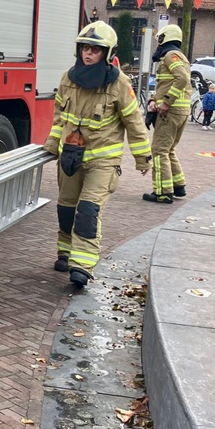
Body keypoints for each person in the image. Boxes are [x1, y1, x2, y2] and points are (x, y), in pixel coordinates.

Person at [43, 21, 151, 288]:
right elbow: (59, 117)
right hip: (71, 157)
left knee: (88, 211)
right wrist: (52, 144)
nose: (88, 54)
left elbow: (134, 122)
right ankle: (65, 253)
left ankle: (83, 265)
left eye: (95, 49)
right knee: (66, 208)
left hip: (103, 162)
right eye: (84, 48)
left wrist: (142, 157)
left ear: (107, 52)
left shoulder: (119, 84)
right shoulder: (69, 78)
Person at [144, 24, 192, 204]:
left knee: (159, 150)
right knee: (169, 149)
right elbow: (167, 83)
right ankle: (178, 185)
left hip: (170, 112)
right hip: (180, 111)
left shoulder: (171, 56)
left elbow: (182, 79)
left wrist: (165, 102)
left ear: (165, 38)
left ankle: (162, 192)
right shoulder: (180, 56)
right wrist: (153, 99)